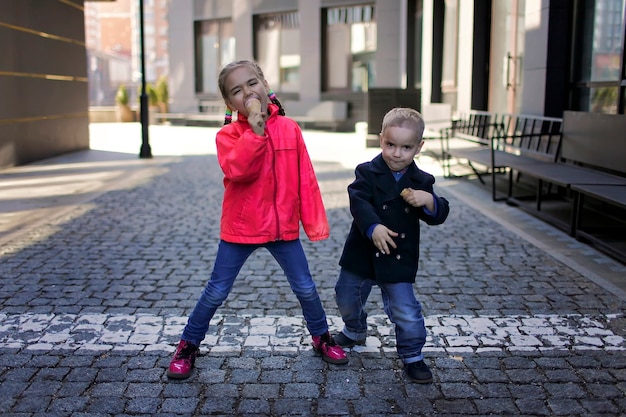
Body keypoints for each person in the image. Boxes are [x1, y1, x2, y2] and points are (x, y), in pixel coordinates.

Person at [167, 60, 348, 379]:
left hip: (282, 228)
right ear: (229, 103)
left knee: (305, 288)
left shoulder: (290, 128)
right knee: (216, 291)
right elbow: (238, 170)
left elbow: (305, 177)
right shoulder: (228, 135)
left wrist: (314, 223)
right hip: (241, 230)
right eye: (237, 90)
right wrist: (256, 129)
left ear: (265, 84)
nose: (247, 92)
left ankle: (321, 337)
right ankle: (188, 345)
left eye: (252, 83)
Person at [333, 107, 450, 383]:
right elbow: (358, 201)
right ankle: (354, 328)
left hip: (398, 258)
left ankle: (412, 356)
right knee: (345, 296)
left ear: (419, 147)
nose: (397, 153)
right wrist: (373, 227)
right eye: (390, 145)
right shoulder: (367, 172)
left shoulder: (421, 182)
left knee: (406, 310)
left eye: (406, 147)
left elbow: (440, 213)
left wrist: (430, 201)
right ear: (380, 139)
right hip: (361, 254)